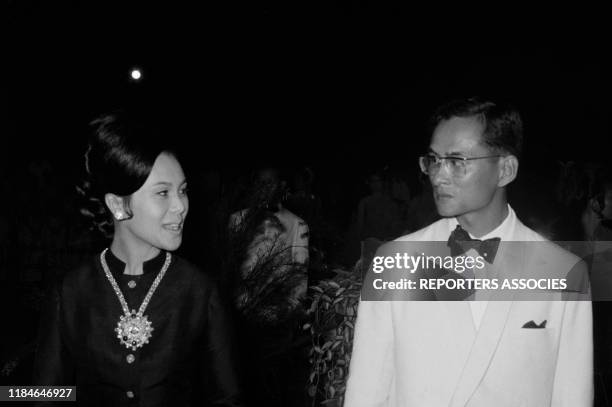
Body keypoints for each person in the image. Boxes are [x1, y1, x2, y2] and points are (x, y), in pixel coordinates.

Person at [344, 98, 593, 406]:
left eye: (457, 161)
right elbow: (366, 391)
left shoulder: (563, 272)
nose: (438, 175)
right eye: (433, 160)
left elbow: (573, 395)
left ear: (505, 169)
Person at [33, 111, 243, 406]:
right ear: (118, 205)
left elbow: (227, 398)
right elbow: (44, 395)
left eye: (183, 191)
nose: (180, 206)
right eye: (162, 193)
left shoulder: (200, 291)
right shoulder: (70, 292)